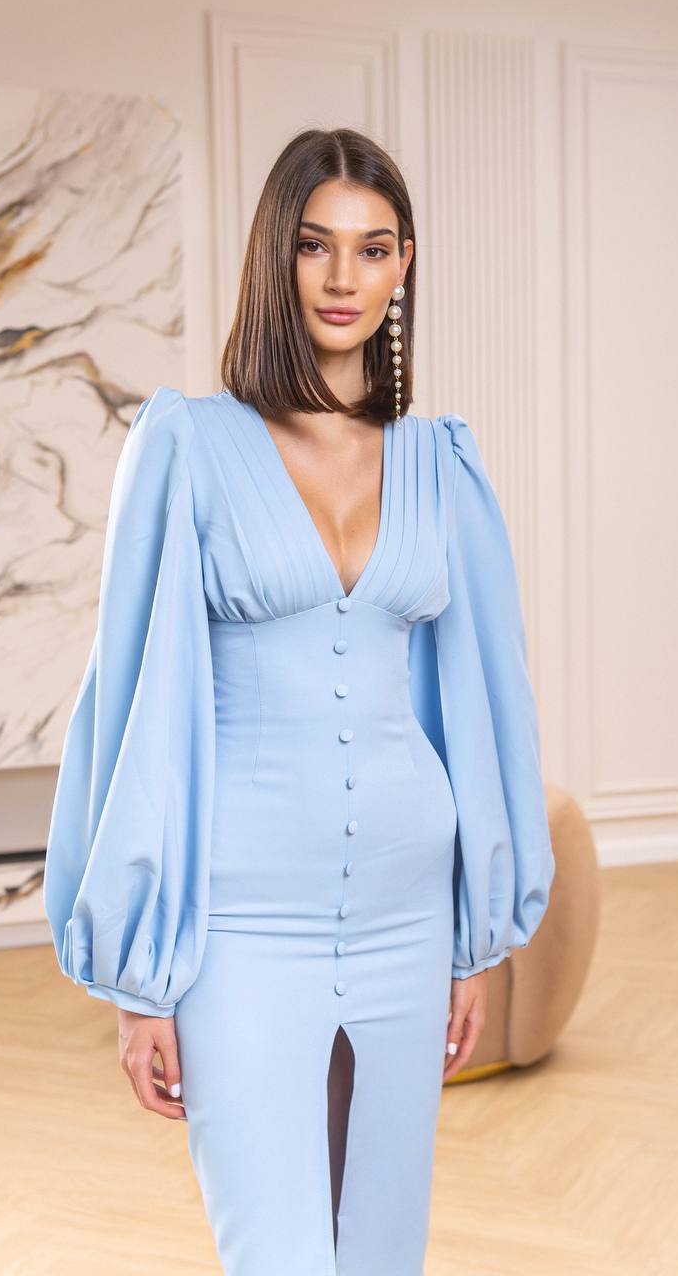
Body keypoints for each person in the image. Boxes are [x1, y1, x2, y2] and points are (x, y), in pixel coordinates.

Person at [42, 126, 556, 1276]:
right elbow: (132, 701)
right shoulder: (188, 443)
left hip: (408, 910)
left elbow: (484, 702)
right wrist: (139, 980)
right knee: (276, 1249)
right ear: (276, 253)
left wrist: (473, 940)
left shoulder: (441, 460)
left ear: (403, 264)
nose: (342, 277)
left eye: (372, 249)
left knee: (379, 1249)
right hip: (240, 917)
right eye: (316, 245)